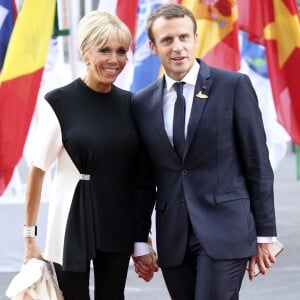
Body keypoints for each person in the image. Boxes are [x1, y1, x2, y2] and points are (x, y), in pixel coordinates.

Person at [131, 4, 277, 300]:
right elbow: (143, 181)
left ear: (195, 38)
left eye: (184, 37)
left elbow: (257, 164)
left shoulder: (233, 86)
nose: (178, 47)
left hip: (226, 229)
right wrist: (139, 242)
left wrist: (266, 235)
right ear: (153, 46)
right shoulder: (141, 104)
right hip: (174, 237)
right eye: (167, 40)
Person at [23, 10, 156, 300]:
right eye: (104, 50)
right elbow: (38, 170)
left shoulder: (130, 104)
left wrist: (142, 236)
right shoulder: (58, 102)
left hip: (117, 219)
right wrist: (29, 237)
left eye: (121, 51)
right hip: (70, 222)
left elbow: (132, 176)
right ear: (85, 52)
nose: (114, 60)